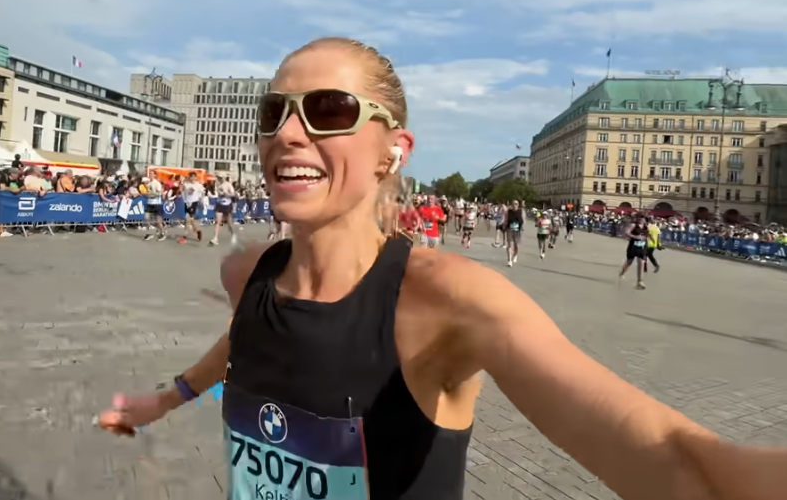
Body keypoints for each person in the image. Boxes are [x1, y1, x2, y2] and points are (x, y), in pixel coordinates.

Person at [98, 36, 787, 500]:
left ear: (393, 150)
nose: (287, 132)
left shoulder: (447, 301)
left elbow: (677, 458)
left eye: (329, 110)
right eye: (274, 112)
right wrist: (168, 398)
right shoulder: (246, 271)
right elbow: (246, 341)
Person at [620, 215, 649, 289]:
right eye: (639, 218)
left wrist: (647, 240)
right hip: (633, 246)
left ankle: (640, 281)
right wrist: (636, 237)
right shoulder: (633, 225)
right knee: (629, 262)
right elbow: (626, 232)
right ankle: (622, 272)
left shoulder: (646, 226)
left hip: (642, 246)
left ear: (645, 220)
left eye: (642, 218)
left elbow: (647, 235)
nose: (640, 219)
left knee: (641, 263)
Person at [211, 176, 238, 246]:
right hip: (220, 204)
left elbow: (233, 194)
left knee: (229, 223)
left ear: (224, 178)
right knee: (218, 222)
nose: (220, 179)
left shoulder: (228, 185)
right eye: (219, 178)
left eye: (221, 178)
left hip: (227, 205)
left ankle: (233, 234)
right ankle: (215, 238)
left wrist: (226, 194)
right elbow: (219, 194)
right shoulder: (218, 185)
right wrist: (221, 193)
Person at [179, 172, 204, 244]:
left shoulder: (198, 185)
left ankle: (184, 237)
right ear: (189, 177)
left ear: (196, 177)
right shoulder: (186, 184)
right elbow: (181, 190)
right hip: (187, 203)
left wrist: (201, 201)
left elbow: (201, 193)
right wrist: (182, 183)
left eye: (194, 177)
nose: (193, 178)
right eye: (191, 177)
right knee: (191, 220)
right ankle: (198, 231)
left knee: (187, 220)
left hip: (194, 203)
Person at [504, 200, 523, 266]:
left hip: (517, 230)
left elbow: (523, 221)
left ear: (518, 205)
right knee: (509, 245)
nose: (514, 205)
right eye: (513, 204)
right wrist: (505, 226)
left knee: (516, 246)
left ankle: (515, 255)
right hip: (510, 229)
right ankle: (509, 260)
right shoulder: (509, 211)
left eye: (516, 204)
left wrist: (521, 227)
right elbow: (506, 219)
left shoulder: (520, 211)